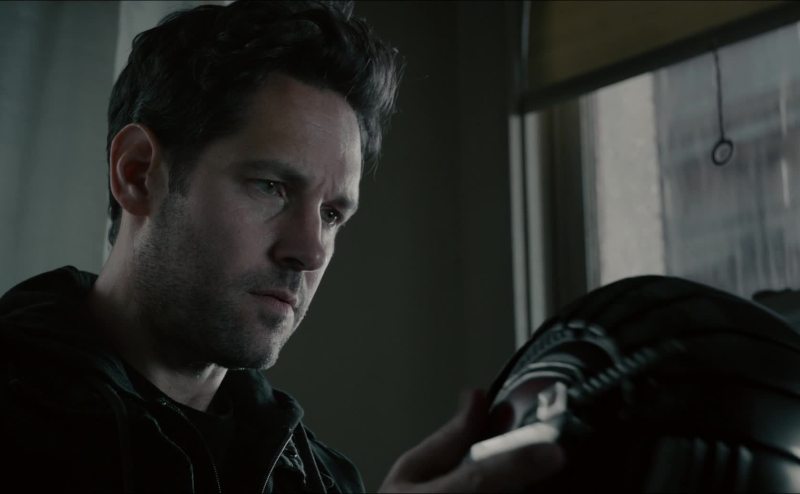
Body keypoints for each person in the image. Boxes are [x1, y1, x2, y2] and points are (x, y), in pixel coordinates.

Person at [0, 1, 563, 492]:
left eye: (332, 214)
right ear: (138, 173)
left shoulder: (320, 478)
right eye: (271, 187)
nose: (310, 251)